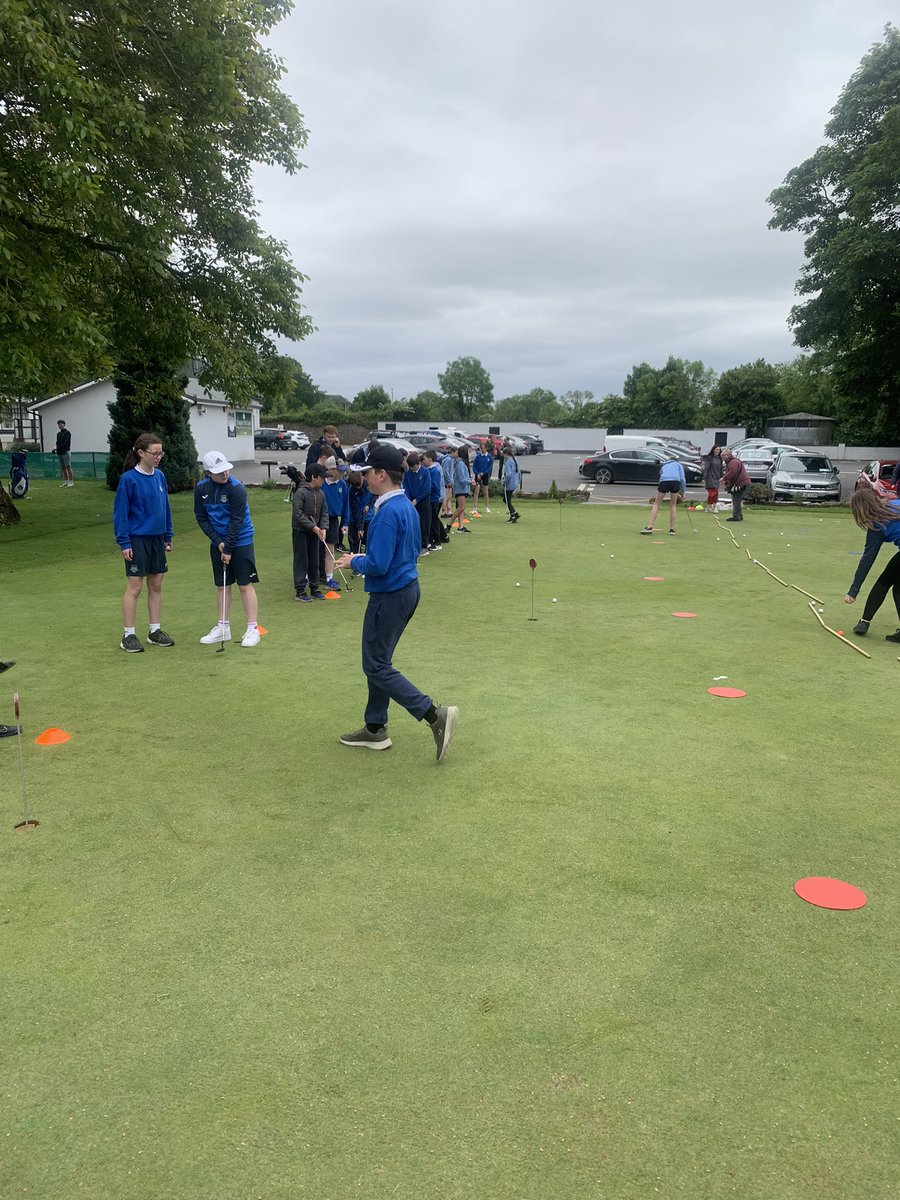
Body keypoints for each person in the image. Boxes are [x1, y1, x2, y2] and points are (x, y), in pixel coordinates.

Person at [334, 445, 458, 760]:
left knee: (375, 664)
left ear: (381, 474)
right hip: (406, 590)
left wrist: (353, 561)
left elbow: (377, 565)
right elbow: (406, 551)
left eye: (367, 473)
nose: (364, 478)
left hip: (390, 594)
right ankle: (375, 728)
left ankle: (433, 714)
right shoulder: (402, 506)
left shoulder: (388, 512)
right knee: (379, 663)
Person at [113, 432, 175, 653]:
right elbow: (121, 514)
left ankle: (154, 631)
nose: (158, 457)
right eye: (155, 453)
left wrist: (168, 535)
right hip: (137, 540)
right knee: (135, 588)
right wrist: (124, 543)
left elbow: (165, 507)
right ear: (141, 453)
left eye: (161, 453)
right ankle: (128, 635)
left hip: (157, 540)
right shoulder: (128, 479)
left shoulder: (160, 477)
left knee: (156, 586)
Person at [193, 450, 261, 647]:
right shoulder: (201, 489)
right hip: (219, 542)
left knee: (244, 585)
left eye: (226, 469)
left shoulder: (236, 488)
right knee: (222, 585)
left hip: (241, 541)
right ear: (208, 472)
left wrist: (228, 548)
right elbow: (201, 517)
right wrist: (218, 542)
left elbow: (236, 520)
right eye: (219, 471)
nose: (224, 474)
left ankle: (252, 629)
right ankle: (223, 628)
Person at [844, 489, 900, 639]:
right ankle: (864, 622)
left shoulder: (876, 524)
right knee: (898, 586)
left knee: (884, 582)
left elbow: (867, 560)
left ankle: (864, 622)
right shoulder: (894, 503)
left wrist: (853, 591)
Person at [291, 464, 329, 601]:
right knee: (301, 560)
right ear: (313, 477)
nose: (324, 481)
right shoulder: (300, 492)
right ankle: (300, 590)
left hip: (315, 532)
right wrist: (313, 527)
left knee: (315, 560)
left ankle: (315, 587)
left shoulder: (321, 493)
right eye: (322, 478)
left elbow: (324, 513)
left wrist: (323, 528)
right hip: (301, 531)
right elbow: (298, 514)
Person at [321, 458, 350, 589]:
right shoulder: (321, 483)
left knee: (330, 549)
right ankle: (314, 576)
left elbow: (345, 505)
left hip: (333, 520)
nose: (342, 473)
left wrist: (345, 523)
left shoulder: (342, 484)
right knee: (316, 549)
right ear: (331, 470)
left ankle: (329, 578)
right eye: (339, 470)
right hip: (319, 519)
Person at [640, 456, 686, 535]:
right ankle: (672, 529)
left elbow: (661, 476)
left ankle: (649, 527)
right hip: (675, 482)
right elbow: (682, 479)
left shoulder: (664, 465)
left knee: (657, 504)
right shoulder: (679, 465)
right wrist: (682, 492)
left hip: (664, 482)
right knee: (673, 505)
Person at [402, 451, 432, 555]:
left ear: (418, 464)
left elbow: (427, 489)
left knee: (424, 523)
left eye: (413, 466)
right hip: (411, 501)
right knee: (412, 523)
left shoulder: (425, 472)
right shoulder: (408, 473)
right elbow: (405, 487)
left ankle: (424, 546)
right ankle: (413, 545)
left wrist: (417, 500)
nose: (412, 469)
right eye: (410, 467)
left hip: (423, 501)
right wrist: (409, 499)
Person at [422, 449, 448, 549]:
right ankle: (431, 539)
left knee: (434, 519)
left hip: (434, 499)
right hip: (430, 499)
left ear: (429, 459)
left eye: (424, 459)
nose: (423, 461)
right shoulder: (429, 470)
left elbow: (435, 486)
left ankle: (437, 541)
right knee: (430, 520)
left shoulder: (435, 470)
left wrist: (425, 489)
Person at [721, 449, 750, 521]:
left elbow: (732, 472)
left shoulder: (733, 462)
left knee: (736, 500)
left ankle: (736, 516)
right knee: (737, 500)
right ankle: (739, 515)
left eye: (723, 455)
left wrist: (724, 478)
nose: (722, 457)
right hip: (742, 483)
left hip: (740, 484)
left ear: (727, 455)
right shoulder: (733, 461)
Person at [449, 445, 473, 533]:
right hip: (460, 489)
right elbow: (462, 479)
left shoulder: (462, 463)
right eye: (469, 452)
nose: (470, 454)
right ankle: (449, 524)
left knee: (462, 508)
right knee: (461, 507)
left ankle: (461, 526)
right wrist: (470, 481)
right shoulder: (460, 464)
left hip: (463, 488)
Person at [472, 442, 493, 514]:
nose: (483, 450)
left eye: (484, 448)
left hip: (485, 475)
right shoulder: (478, 456)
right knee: (476, 491)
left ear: (486, 448)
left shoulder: (489, 457)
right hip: (478, 475)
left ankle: (486, 507)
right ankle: (475, 507)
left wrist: (483, 473)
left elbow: (489, 467)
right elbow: (474, 466)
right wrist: (477, 474)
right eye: (482, 448)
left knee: (485, 492)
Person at [501, 446, 521, 522]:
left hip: (510, 484)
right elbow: (519, 472)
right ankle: (514, 514)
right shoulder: (515, 460)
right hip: (515, 482)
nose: (503, 456)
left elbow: (508, 475)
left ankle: (514, 515)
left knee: (506, 500)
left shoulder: (508, 462)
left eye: (503, 454)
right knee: (507, 500)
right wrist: (518, 481)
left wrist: (504, 482)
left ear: (506, 454)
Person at [702, 444, 724, 512]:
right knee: (714, 492)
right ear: (713, 450)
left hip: (716, 478)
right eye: (716, 449)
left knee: (714, 493)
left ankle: (708, 507)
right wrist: (704, 477)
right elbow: (706, 468)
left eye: (719, 450)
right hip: (710, 477)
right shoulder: (710, 458)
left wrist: (722, 477)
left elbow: (721, 469)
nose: (717, 451)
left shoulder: (720, 459)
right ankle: (714, 507)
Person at [55, 419, 73, 487]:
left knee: (68, 466)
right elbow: (57, 443)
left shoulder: (67, 433)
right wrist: (56, 449)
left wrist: (57, 448)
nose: (60, 425)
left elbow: (66, 443)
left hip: (66, 452)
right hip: (60, 452)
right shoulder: (58, 434)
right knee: (63, 467)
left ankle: (71, 482)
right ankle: (66, 481)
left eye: (61, 424)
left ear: (64, 424)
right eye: (59, 424)